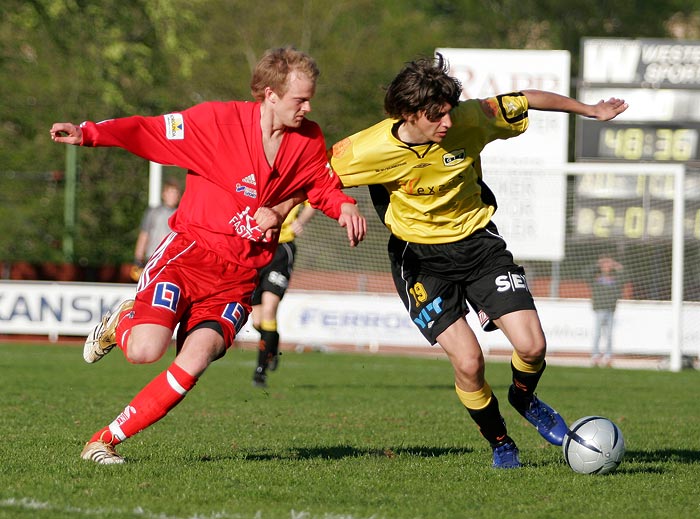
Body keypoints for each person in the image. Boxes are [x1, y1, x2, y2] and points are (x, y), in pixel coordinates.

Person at [50, 46, 367, 464]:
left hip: (237, 278)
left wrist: (342, 205)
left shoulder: (309, 138)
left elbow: (318, 183)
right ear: (269, 94)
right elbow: (149, 129)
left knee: (197, 357)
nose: (308, 107)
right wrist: (89, 133)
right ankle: (121, 322)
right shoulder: (216, 122)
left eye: (311, 98)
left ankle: (103, 441)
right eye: (300, 99)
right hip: (189, 257)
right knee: (145, 351)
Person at [328, 53, 628, 468]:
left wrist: (590, 110)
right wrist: (340, 204)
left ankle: (524, 397)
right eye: (436, 116)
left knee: (533, 345)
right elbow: (313, 175)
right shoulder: (364, 149)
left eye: (449, 113)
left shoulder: (470, 118)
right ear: (407, 113)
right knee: (469, 363)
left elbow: (527, 98)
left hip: (478, 244)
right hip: (419, 260)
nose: (447, 123)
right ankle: (501, 442)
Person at [251, 202, 315, 388]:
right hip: (256, 248)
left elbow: (313, 201)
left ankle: (260, 371)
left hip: (281, 249)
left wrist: (301, 221)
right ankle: (271, 345)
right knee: (257, 321)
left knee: (269, 310)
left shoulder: (295, 176)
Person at [130, 177, 182, 282]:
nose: (172, 195)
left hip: (172, 260)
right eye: (170, 192)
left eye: (175, 193)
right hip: (153, 257)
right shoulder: (153, 212)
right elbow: (144, 234)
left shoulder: (181, 214)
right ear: (164, 194)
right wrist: (138, 258)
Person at [589, 254, 624, 367]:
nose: (607, 267)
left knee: (609, 334)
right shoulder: (596, 277)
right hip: (599, 308)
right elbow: (585, 274)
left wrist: (617, 267)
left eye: (609, 265)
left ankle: (608, 356)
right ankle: (595, 355)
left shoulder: (615, 278)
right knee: (598, 333)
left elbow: (624, 279)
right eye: (605, 264)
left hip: (610, 309)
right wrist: (597, 264)